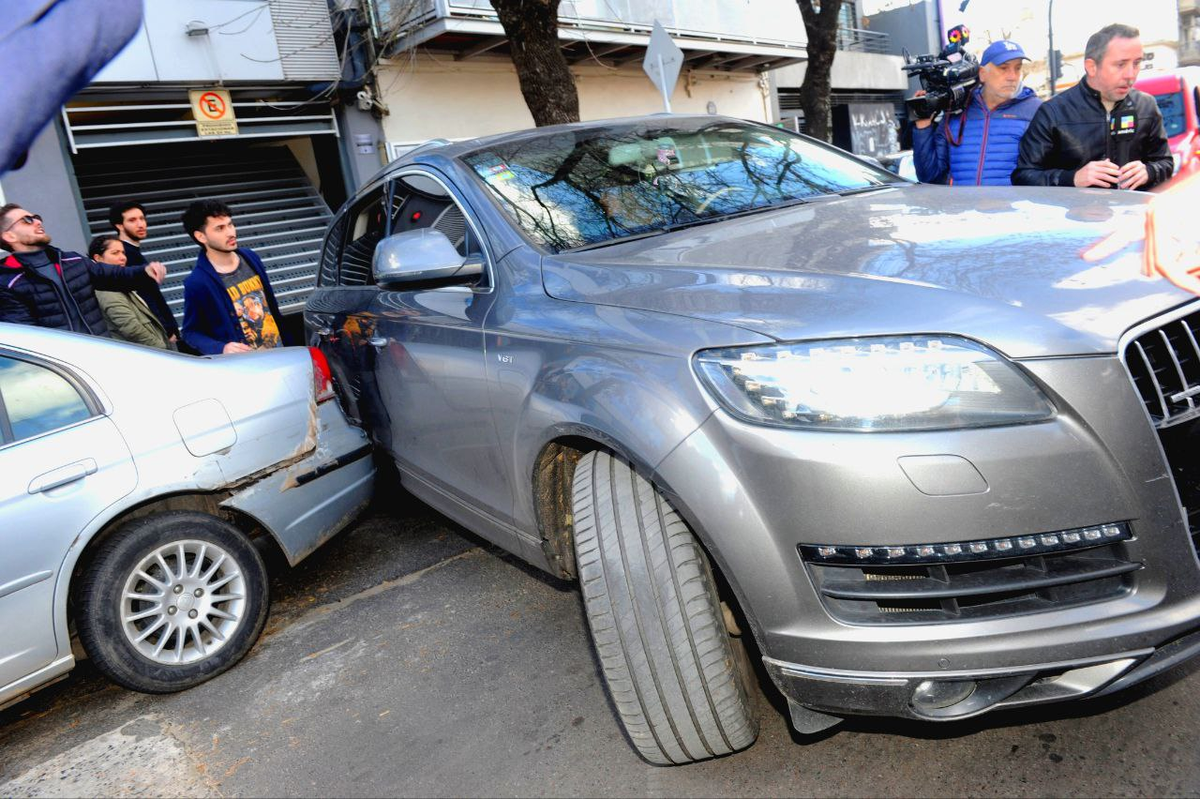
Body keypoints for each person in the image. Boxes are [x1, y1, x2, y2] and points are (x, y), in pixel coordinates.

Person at [1013, 23, 1173, 190]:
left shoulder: (1146, 106)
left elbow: (1165, 163)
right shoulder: (1053, 112)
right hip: (1074, 215)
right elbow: (1024, 176)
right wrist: (1072, 178)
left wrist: (1150, 171)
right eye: (1120, 64)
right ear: (1091, 67)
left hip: (1133, 214)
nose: (1130, 75)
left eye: (1137, 63)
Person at [0, 203, 165, 334]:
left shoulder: (72, 260)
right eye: (27, 220)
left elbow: (114, 275)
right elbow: (26, 334)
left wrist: (145, 272)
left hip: (101, 352)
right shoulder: (8, 282)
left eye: (36, 217)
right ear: (9, 236)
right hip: (65, 370)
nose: (37, 221)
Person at [912, 40, 1042, 186]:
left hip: (1013, 208)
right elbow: (928, 176)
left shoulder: (1036, 110)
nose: (1012, 76)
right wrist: (923, 127)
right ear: (982, 74)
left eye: (1017, 68)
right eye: (1003, 68)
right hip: (962, 207)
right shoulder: (957, 108)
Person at [180, 199, 288, 355]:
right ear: (201, 236)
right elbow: (190, 332)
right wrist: (221, 348)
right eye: (220, 228)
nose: (230, 232)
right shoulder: (197, 282)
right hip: (246, 367)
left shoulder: (251, 257)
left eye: (230, 224)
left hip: (280, 353)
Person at [108, 199, 182, 345]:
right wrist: (166, 329)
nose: (141, 224)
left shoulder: (133, 252)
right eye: (132, 220)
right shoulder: (124, 257)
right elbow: (144, 297)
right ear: (119, 226)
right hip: (153, 335)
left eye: (142, 219)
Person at [88, 235, 174, 350]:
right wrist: (162, 349)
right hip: (146, 354)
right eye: (115, 253)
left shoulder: (120, 283)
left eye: (123, 253)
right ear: (98, 258)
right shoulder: (106, 289)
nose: (123, 257)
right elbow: (131, 328)